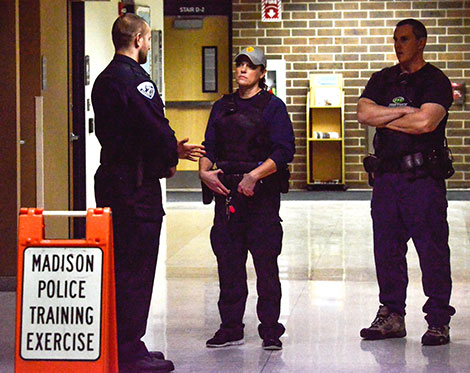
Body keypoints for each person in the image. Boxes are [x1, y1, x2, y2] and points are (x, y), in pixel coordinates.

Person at [92, 13, 204, 372]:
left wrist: (171, 150)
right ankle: (130, 351)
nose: (147, 45)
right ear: (139, 39)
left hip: (111, 181)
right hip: (137, 188)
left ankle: (124, 341)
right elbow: (153, 129)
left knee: (119, 265)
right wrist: (171, 156)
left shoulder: (103, 80)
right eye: (148, 39)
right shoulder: (137, 80)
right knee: (137, 269)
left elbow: (121, 132)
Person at [357, 19, 455, 346]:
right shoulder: (382, 78)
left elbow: (427, 121)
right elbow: (363, 114)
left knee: (432, 250)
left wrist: (386, 116)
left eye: (405, 39)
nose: (398, 45)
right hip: (386, 179)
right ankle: (392, 315)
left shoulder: (435, 80)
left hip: (422, 180)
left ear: (421, 42)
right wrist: (404, 115)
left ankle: (438, 320)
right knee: (386, 250)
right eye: (395, 39)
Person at [199, 47, 295, 350]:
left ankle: (270, 329)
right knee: (228, 263)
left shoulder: (273, 107)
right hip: (227, 194)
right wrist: (205, 173)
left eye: (250, 66)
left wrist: (254, 176)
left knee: (266, 265)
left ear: (262, 73)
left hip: (260, 195)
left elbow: (284, 151)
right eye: (239, 63)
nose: (242, 69)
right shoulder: (222, 106)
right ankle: (230, 327)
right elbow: (209, 145)